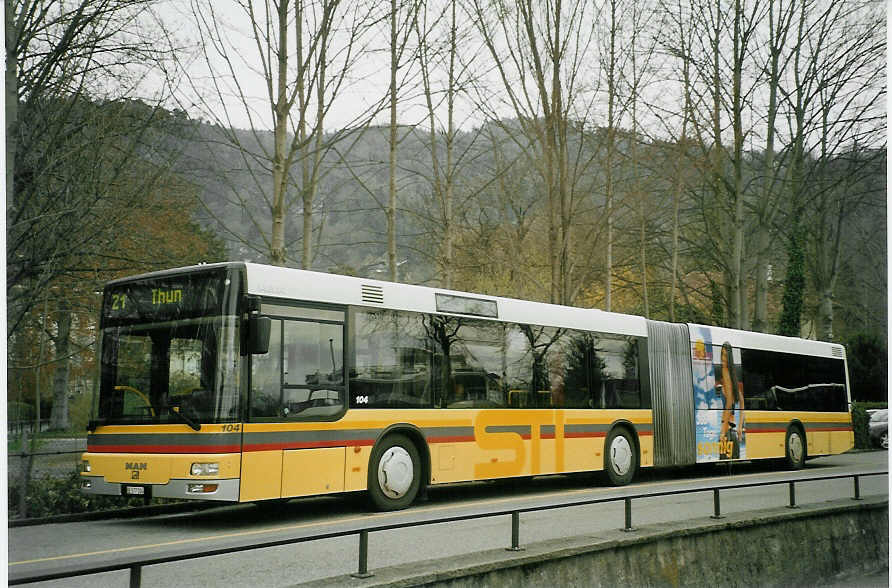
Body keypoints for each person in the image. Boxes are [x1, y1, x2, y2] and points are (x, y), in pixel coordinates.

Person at [718, 342, 745, 458]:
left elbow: (729, 404)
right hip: (731, 431)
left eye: (725, 356)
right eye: (722, 355)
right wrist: (739, 427)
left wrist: (723, 431)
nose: (723, 359)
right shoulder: (732, 375)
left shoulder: (726, 374)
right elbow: (742, 403)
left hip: (727, 432)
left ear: (729, 358)